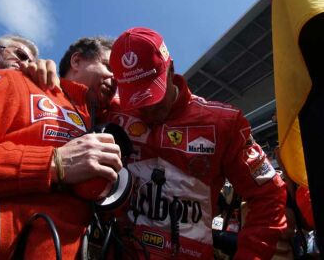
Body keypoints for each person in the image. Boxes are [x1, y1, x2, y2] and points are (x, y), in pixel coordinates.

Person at [104, 27, 287, 259]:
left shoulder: (224, 122)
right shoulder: (112, 111)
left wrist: (251, 255)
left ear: (170, 70)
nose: (146, 107)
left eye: (152, 93)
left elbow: (269, 194)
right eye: (135, 96)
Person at [0, 36, 122, 259]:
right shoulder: (18, 82)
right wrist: (55, 164)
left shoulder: (110, 119)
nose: (115, 79)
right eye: (108, 67)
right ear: (77, 60)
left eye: (121, 77)